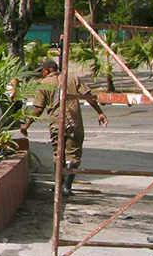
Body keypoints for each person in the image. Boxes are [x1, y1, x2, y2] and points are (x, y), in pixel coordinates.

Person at [20, 58, 108, 197]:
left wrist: (27, 125)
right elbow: (88, 96)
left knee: (58, 154)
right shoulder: (72, 78)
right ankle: (67, 187)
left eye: (42, 71)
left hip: (57, 124)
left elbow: (38, 109)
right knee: (73, 155)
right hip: (74, 123)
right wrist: (100, 112)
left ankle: (58, 187)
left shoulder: (44, 84)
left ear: (47, 70)